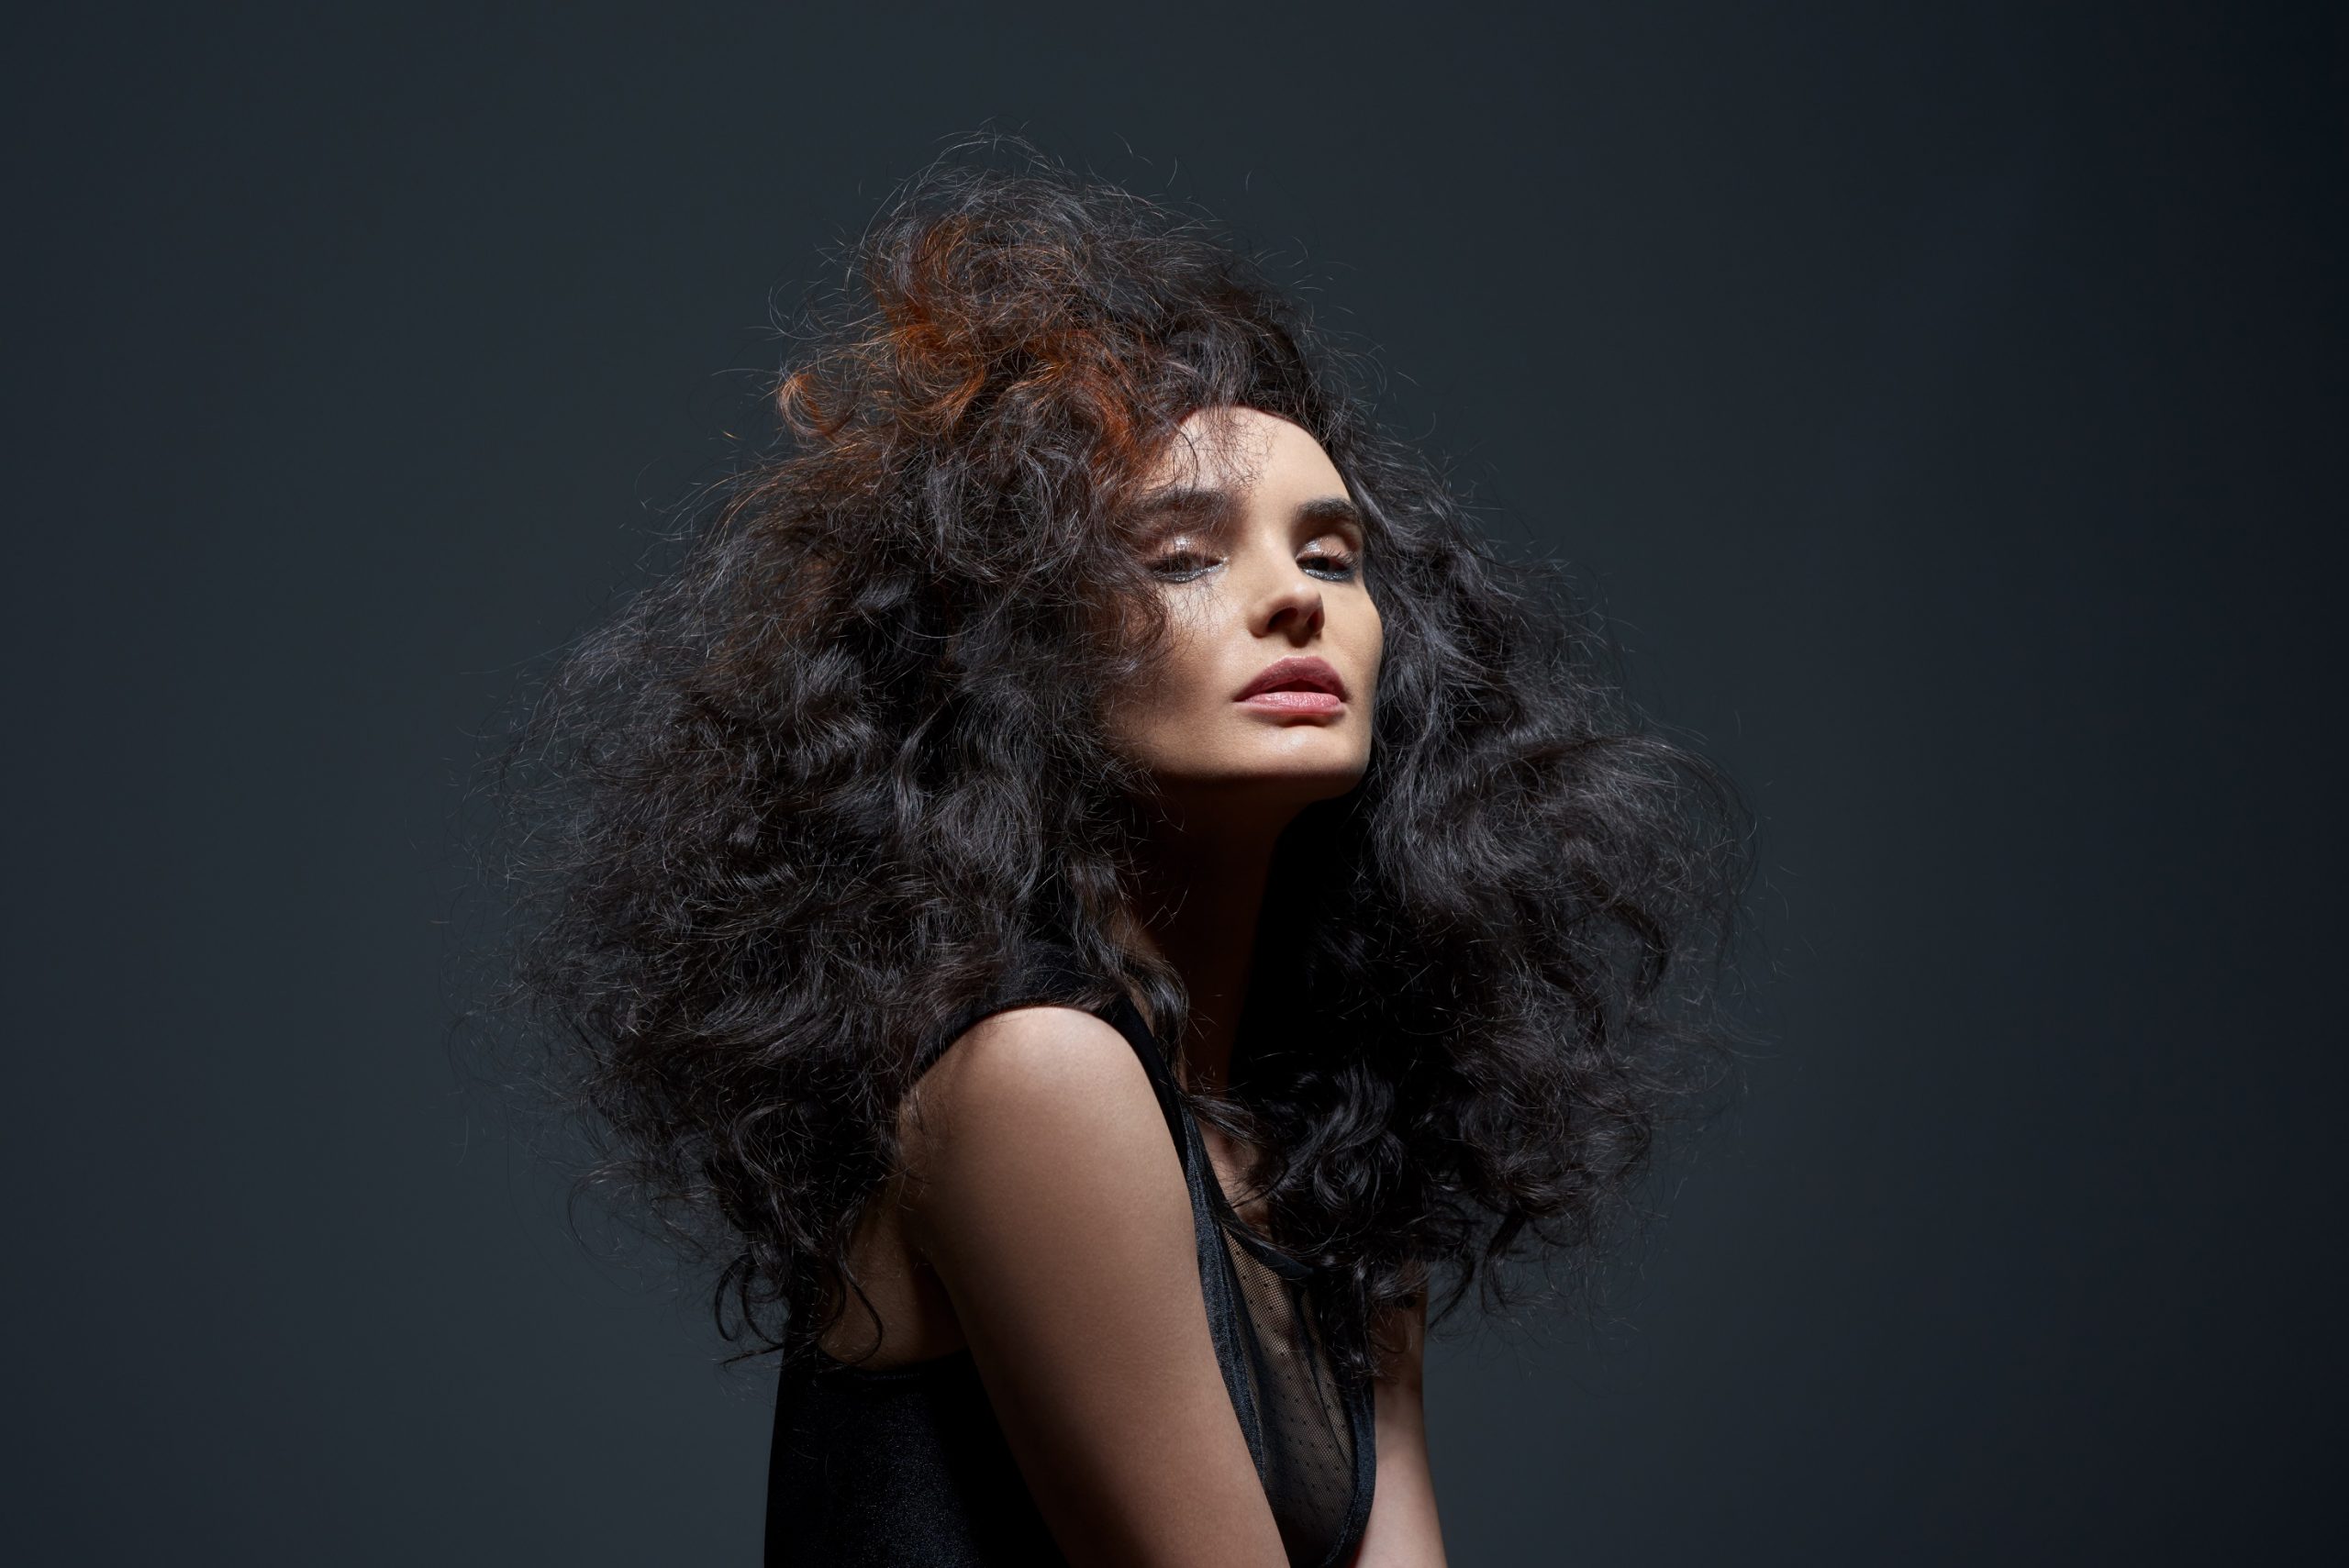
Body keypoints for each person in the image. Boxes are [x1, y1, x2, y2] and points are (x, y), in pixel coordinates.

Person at [479, 135, 1750, 1567]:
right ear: (1027, 649)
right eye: (1183, 555)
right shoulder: (1038, 1071)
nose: (1295, 600)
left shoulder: (1320, 1144)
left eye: (1331, 555)